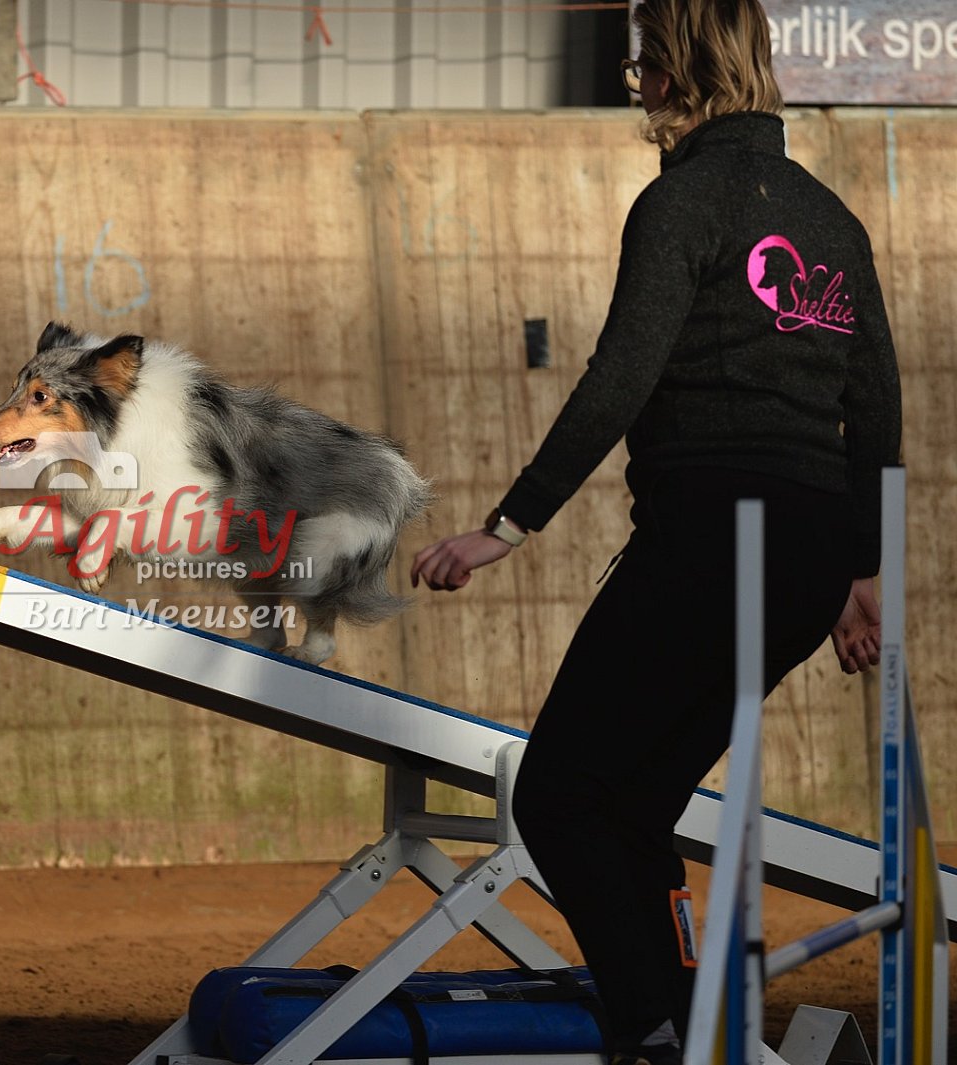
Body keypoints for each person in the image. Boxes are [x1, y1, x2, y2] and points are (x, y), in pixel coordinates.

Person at [409, 1, 901, 1063]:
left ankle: (652, 1031)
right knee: (633, 805)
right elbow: (877, 416)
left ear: (676, 72)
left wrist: (509, 524)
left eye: (644, 63)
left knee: (557, 797)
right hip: (808, 554)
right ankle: (686, 1020)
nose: (636, 82)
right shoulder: (833, 222)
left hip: (713, 537)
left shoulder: (679, 202)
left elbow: (618, 379)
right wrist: (864, 569)